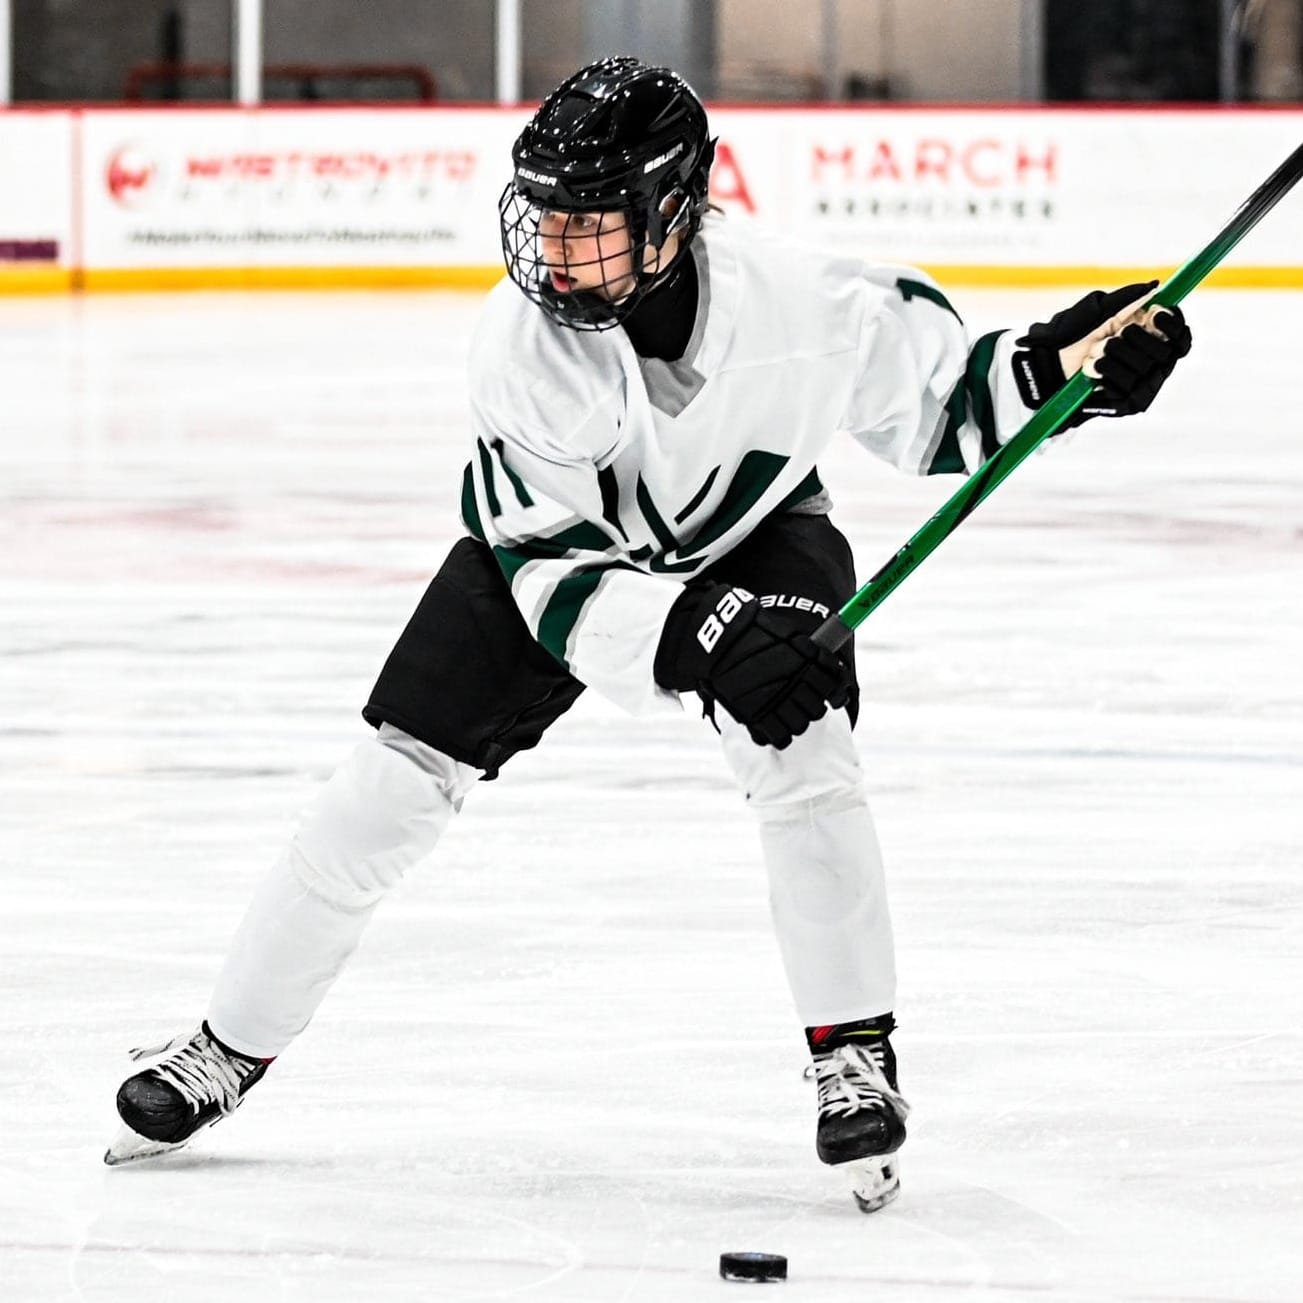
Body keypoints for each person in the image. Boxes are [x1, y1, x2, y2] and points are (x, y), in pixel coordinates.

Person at [106, 56, 1192, 1212]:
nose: (559, 251)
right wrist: (697, 633)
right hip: (550, 561)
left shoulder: (814, 306)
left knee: (807, 758)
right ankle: (227, 1045)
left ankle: (851, 1055)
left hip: (755, 536)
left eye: (593, 223)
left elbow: (953, 406)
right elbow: (550, 570)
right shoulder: (520, 347)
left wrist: (1079, 370)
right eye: (549, 220)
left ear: (676, 209)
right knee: (382, 793)